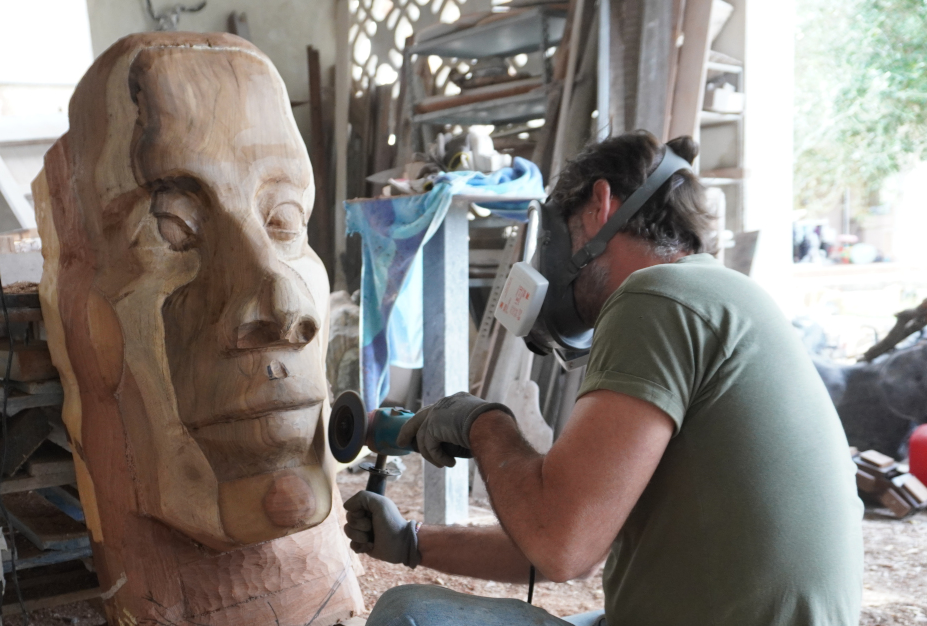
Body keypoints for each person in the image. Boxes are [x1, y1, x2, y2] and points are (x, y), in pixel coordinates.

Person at [343, 131, 864, 626]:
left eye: (556, 231)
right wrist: (412, 541)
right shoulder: (722, 296)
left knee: (410, 615)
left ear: (599, 206)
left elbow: (560, 545)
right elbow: (579, 539)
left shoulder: (654, 297)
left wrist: (484, 425)